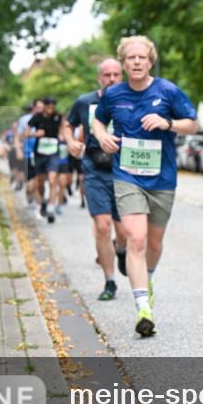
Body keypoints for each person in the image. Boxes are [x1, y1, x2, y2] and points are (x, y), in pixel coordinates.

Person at [93, 36, 198, 338]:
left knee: (153, 243)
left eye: (142, 58)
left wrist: (168, 124)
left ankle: (146, 279)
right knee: (135, 239)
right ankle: (143, 309)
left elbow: (192, 124)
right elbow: (98, 122)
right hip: (127, 176)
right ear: (124, 63)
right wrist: (102, 137)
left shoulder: (167, 91)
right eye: (131, 58)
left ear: (150, 62)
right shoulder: (113, 94)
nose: (136, 62)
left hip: (162, 179)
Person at [65, 57, 129, 302]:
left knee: (122, 231)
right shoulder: (84, 102)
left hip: (124, 169)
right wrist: (71, 142)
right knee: (103, 225)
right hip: (94, 169)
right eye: (107, 75)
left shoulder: (129, 99)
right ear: (99, 78)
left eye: (116, 75)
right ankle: (110, 281)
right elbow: (67, 125)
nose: (112, 79)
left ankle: (121, 250)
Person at [28, 97, 63, 224]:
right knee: (40, 183)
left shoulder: (58, 117)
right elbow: (25, 132)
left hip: (53, 152)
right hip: (39, 154)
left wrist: (63, 135)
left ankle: (51, 208)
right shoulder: (37, 117)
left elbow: (64, 128)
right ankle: (42, 202)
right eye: (48, 107)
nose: (50, 109)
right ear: (44, 106)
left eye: (52, 107)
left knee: (53, 179)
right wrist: (34, 134)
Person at [16, 99, 44, 206]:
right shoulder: (24, 120)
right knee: (30, 182)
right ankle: (30, 195)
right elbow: (18, 136)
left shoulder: (45, 119)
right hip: (28, 153)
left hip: (41, 154)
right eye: (39, 107)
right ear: (34, 107)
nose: (41, 110)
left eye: (42, 107)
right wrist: (18, 150)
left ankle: (40, 204)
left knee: (39, 180)